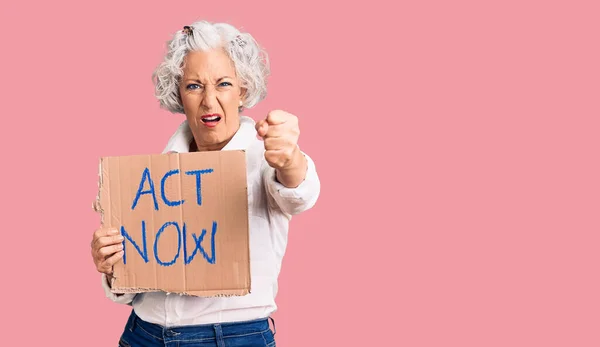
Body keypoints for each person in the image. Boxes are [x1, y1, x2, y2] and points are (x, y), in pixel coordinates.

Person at [90, 20, 321, 347]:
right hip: (143, 334)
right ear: (178, 93)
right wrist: (112, 266)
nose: (209, 101)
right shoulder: (155, 176)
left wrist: (290, 158)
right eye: (194, 86)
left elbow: (299, 193)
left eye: (223, 84)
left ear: (243, 89)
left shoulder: (264, 159)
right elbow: (132, 289)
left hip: (229, 338)